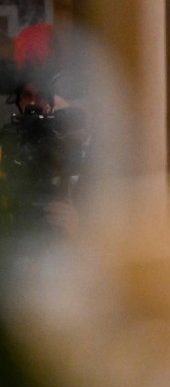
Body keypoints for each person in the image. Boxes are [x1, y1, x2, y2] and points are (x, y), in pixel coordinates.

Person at [0, 23, 88, 237]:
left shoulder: (75, 142)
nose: (33, 104)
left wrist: (80, 231)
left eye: (40, 95)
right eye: (27, 96)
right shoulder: (8, 142)